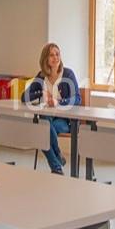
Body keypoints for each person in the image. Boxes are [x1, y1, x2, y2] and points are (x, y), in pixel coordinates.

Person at [22, 42, 81, 175]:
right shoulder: (41, 76)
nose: (55, 58)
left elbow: (77, 98)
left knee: (43, 131)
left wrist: (59, 101)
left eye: (57, 54)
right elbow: (23, 97)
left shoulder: (68, 74)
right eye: (51, 55)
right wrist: (40, 94)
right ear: (45, 59)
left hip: (65, 120)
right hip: (47, 117)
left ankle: (56, 166)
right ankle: (57, 163)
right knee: (44, 125)